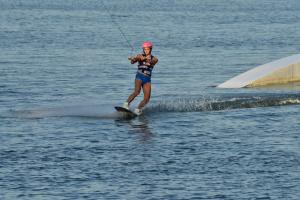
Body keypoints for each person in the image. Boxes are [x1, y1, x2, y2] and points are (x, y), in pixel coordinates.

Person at [123, 41, 158, 115]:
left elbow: (152, 62)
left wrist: (144, 59)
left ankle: (138, 109)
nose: (146, 50)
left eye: (147, 49)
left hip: (147, 79)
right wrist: (133, 59)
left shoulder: (155, 59)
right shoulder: (139, 56)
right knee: (137, 91)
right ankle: (126, 104)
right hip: (139, 76)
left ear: (150, 49)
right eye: (144, 49)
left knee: (147, 98)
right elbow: (133, 62)